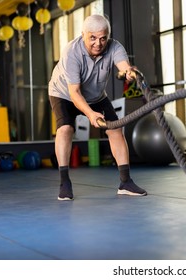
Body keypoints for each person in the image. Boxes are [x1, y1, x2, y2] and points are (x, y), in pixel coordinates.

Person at [48, 14, 147, 200]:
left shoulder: (115, 46)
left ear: (108, 36)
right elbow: (75, 93)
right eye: (92, 38)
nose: (98, 43)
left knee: (116, 129)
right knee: (65, 129)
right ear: (83, 34)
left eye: (103, 38)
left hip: (96, 95)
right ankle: (65, 182)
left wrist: (129, 73)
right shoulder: (71, 51)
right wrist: (90, 114)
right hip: (64, 93)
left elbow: (123, 66)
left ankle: (125, 182)